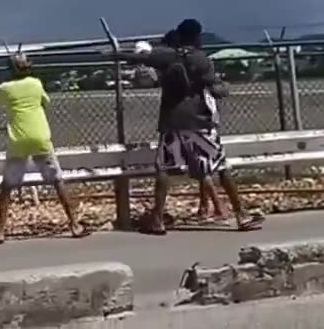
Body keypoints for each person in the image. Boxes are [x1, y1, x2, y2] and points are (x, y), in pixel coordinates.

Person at [108, 19, 262, 233]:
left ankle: (158, 219)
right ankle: (241, 215)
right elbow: (214, 85)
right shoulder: (202, 59)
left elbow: (139, 58)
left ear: (179, 35)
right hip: (199, 121)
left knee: (164, 169)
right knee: (219, 166)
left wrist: (114, 54)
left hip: (171, 120)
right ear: (198, 35)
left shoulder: (167, 55)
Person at [0, 52, 87, 244]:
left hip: (18, 140)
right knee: (57, 181)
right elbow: (45, 102)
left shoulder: (5, 88)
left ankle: (1, 231)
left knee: (7, 187)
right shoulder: (36, 83)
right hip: (41, 138)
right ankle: (74, 224)